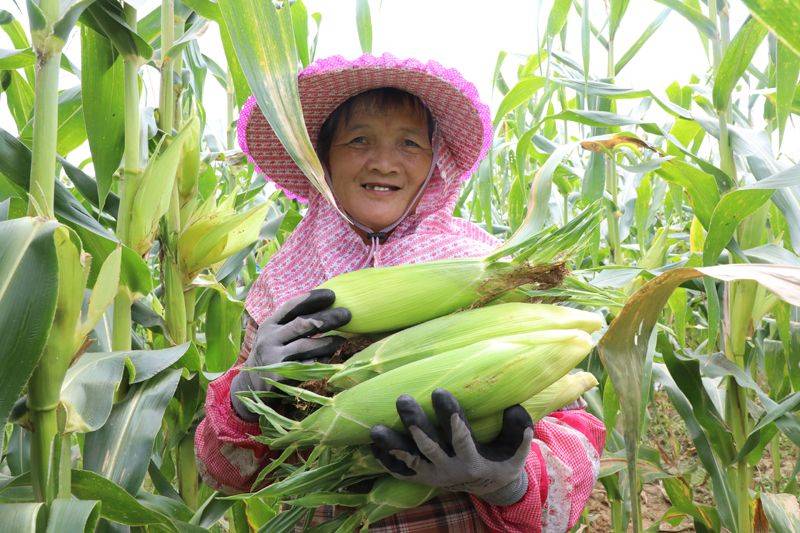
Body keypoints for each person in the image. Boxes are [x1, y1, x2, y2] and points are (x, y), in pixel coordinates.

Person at [195, 53, 605, 532]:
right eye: (358, 140)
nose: (384, 162)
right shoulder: (284, 290)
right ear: (322, 157)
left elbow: (575, 437)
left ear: (434, 162)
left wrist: (505, 484)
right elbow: (226, 476)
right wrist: (245, 399)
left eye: (409, 143)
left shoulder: (492, 273)